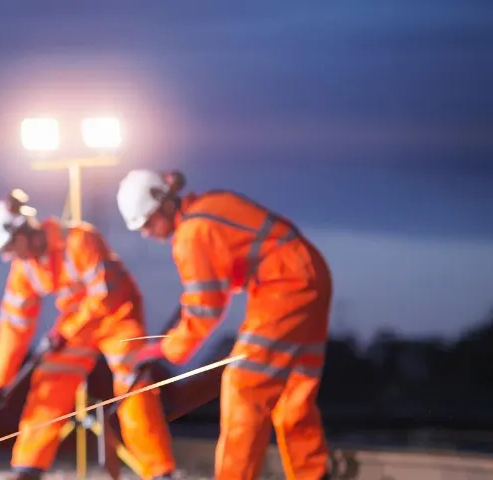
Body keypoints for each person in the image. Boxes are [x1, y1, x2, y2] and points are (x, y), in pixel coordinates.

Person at [116, 169, 333, 480]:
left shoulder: (192, 234)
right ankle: (313, 474)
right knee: (293, 392)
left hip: (284, 285)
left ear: (164, 205)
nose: (147, 233)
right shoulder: (207, 208)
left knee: (244, 384)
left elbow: (205, 309)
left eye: (148, 223)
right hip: (309, 273)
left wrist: (164, 350)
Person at [0, 189, 177, 480]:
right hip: (77, 327)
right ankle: (27, 469)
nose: (10, 256)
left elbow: (103, 294)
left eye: (9, 247)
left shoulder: (80, 239)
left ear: (23, 230)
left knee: (133, 383)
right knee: (49, 381)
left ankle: (160, 472)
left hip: (118, 316)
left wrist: (64, 331)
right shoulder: (25, 269)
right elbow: (13, 326)